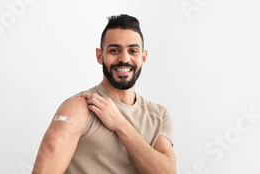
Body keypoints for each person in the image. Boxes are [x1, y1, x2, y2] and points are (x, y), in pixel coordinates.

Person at [32, 14, 176, 174]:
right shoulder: (80, 107)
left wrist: (120, 124)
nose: (124, 58)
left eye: (133, 51)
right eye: (114, 50)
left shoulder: (159, 115)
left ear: (143, 58)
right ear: (100, 56)